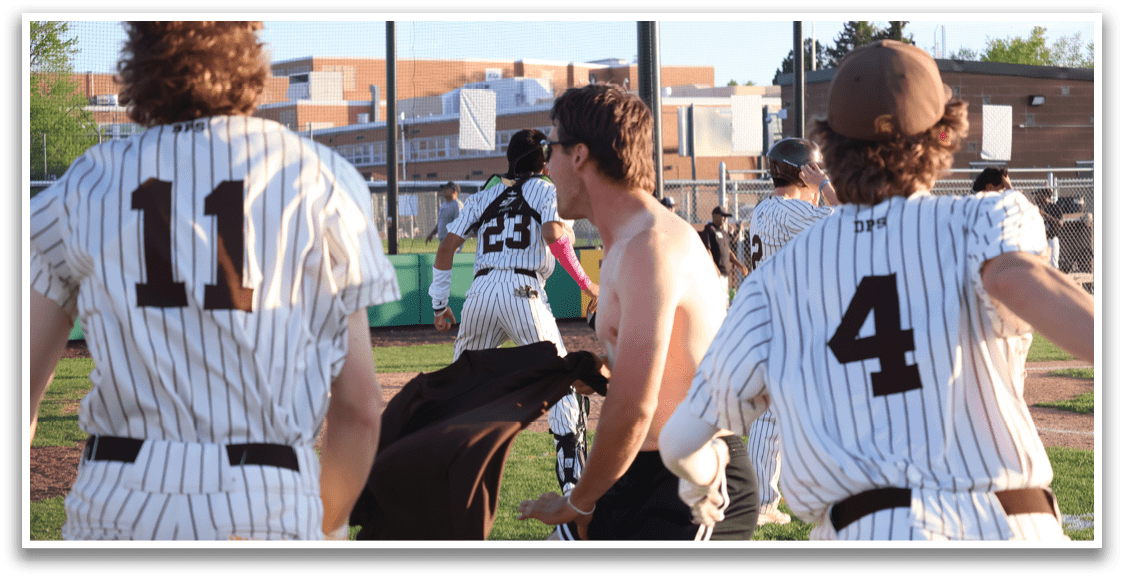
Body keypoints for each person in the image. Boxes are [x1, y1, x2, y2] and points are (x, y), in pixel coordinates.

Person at [660, 39, 1094, 541]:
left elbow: (679, 443)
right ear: (946, 134)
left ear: (831, 146)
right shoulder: (989, 215)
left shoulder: (776, 280)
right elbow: (1016, 282)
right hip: (1016, 526)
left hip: (869, 530)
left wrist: (704, 480)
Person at [27, 21, 401, 541]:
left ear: (137, 65)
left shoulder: (85, 183)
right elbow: (360, 408)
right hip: (266, 497)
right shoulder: (320, 176)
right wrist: (323, 526)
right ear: (250, 62)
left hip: (119, 500)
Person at [516, 83, 757, 541]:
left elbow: (635, 406)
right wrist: (601, 371)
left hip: (692, 485)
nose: (546, 166)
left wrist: (577, 501)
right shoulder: (627, 244)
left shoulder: (651, 244)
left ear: (579, 154)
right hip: (634, 470)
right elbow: (662, 378)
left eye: (551, 148)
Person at [428, 128, 599, 496]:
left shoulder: (485, 195)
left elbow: (445, 249)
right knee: (559, 377)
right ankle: (571, 482)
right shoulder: (545, 189)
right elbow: (553, 235)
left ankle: (440, 474)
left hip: (479, 293)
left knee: (460, 387)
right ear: (543, 162)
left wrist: (439, 305)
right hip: (524, 290)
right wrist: (587, 284)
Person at [743, 137, 838, 526]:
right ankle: (764, 502)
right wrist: (823, 185)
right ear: (803, 171)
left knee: (776, 416)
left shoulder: (765, 209)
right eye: (813, 168)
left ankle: (765, 500)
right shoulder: (788, 210)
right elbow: (849, 218)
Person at [699, 206, 749, 306]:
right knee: (716, 303)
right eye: (723, 216)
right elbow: (707, 251)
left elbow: (728, 252)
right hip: (715, 273)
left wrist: (739, 265)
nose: (725, 219)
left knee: (723, 302)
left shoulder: (723, 232)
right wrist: (715, 268)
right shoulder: (710, 229)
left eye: (726, 216)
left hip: (725, 274)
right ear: (715, 216)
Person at [425, 181, 464, 252]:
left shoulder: (457, 205)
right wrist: (432, 234)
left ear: (454, 191)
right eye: (444, 188)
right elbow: (441, 222)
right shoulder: (444, 204)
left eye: (447, 189)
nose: (444, 190)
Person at [1030, 188, 1063, 270]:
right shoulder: (1036, 208)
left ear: (1045, 196)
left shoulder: (1054, 207)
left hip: (1051, 239)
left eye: (1038, 195)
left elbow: (1060, 223)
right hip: (1039, 241)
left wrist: (1045, 215)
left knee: (1053, 266)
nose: (1036, 197)